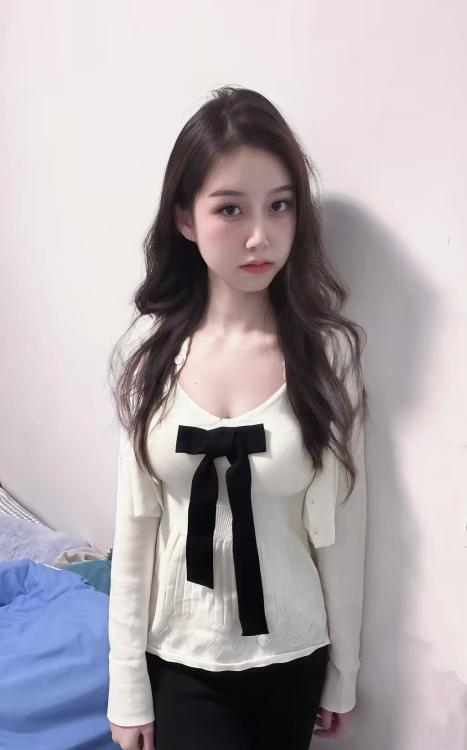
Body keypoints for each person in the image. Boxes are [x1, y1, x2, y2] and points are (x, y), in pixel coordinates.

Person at [106, 85, 368, 750]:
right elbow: (134, 530)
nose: (260, 235)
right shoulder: (149, 354)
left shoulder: (327, 355)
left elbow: (342, 528)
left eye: (280, 205)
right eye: (230, 208)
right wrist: (126, 687)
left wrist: (342, 672)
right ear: (185, 218)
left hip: (292, 652)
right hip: (180, 654)